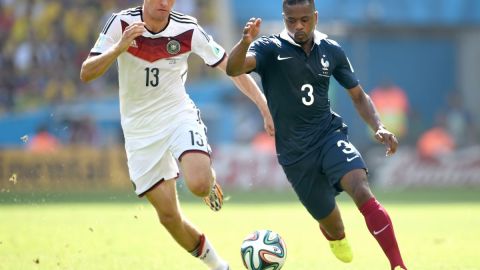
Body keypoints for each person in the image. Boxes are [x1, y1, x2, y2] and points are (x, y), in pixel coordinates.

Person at [80, 1, 274, 269]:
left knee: (198, 184)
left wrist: (264, 107)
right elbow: (86, 73)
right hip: (139, 132)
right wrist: (118, 48)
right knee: (169, 217)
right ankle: (219, 265)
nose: (164, 3)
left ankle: (209, 182)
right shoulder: (121, 23)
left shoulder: (187, 28)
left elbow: (231, 67)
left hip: (176, 115)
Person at [226, 1, 407, 269]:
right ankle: (335, 235)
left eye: (305, 19)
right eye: (291, 20)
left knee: (361, 189)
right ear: (284, 18)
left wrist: (378, 126)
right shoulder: (268, 48)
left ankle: (398, 265)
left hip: (328, 136)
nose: (298, 26)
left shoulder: (331, 50)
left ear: (316, 17)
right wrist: (244, 42)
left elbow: (358, 96)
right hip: (295, 155)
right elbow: (233, 69)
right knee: (334, 226)